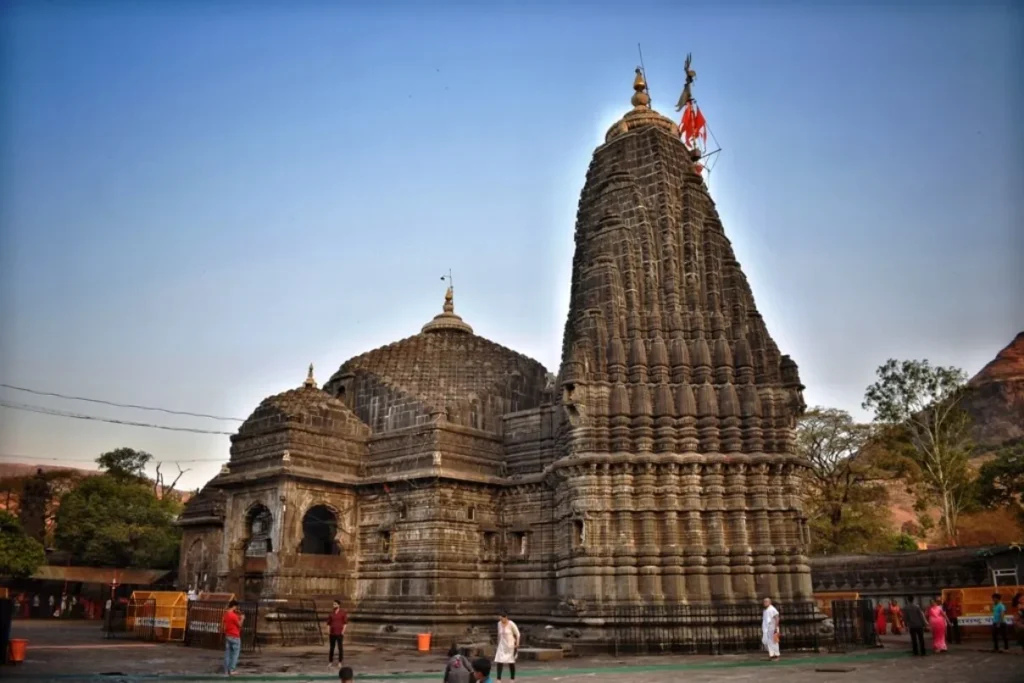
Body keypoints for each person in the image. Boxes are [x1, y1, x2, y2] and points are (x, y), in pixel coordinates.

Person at [494, 611, 519, 680]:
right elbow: (499, 634)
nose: (501, 620)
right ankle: (498, 678)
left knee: (511, 661)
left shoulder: (511, 624)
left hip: (510, 645)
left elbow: (517, 634)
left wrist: (517, 643)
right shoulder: (499, 624)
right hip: (502, 644)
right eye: (500, 619)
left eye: (502, 618)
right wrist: (498, 643)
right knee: (499, 661)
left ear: (506, 618)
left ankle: (512, 678)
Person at [222, 599, 244, 676]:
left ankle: (226, 671)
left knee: (227, 653)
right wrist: (242, 618)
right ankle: (231, 670)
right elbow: (239, 625)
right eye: (236, 607)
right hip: (235, 636)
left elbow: (226, 624)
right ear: (234, 606)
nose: (236, 608)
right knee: (235, 654)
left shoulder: (226, 614)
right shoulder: (233, 615)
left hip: (228, 635)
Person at [326, 599, 348, 667]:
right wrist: (328, 631)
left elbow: (345, 623)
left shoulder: (343, 613)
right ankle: (330, 661)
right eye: (333, 604)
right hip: (332, 633)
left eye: (335, 604)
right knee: (331, 648)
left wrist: (343, 631)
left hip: (339, 633)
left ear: (338, 605)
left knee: (340, 648)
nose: (334, 605)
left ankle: (340, 662)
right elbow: (328, 623)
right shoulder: (331, 613)